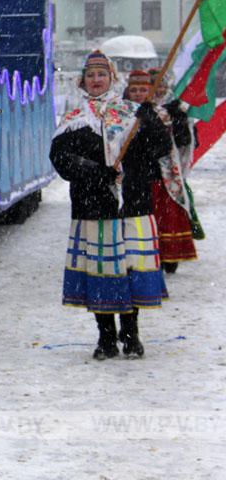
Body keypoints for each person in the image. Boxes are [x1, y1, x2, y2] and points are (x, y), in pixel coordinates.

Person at [51, 51, 170, 360]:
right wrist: (94, 171)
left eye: (101, 75)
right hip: (94, 208)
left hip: (132, 204)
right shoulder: (75, 120)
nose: (96, 80)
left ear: (112, 79)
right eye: (90, 75)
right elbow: (61, 159)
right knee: (102, 273)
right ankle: (106, 337)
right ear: (82, 81)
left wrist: (152, 120)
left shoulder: (133, 114)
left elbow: (160, 147)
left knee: (129, 271)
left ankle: (131, 336)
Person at [123, 69, 199, 273]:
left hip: (162, 174)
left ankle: (169, 255)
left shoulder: (164, 112)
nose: (138, 93)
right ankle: (143, 255)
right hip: (134, 176)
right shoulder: (122, 113)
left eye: (143, 89)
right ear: (127, 91)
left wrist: (181, 120)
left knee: (166, 217)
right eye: (134, 89)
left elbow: (181, 141)